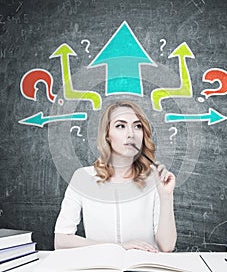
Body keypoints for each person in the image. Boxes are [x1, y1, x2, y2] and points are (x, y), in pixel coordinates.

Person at [54, 100, 177, 252]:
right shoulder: (83, 177)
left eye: (137, 126)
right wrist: (118, 247)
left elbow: (167, 247)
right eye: (121, 126)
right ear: (107, 135)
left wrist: (166, 196)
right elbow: (61, 241)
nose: (131, 134)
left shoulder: (154, 178)